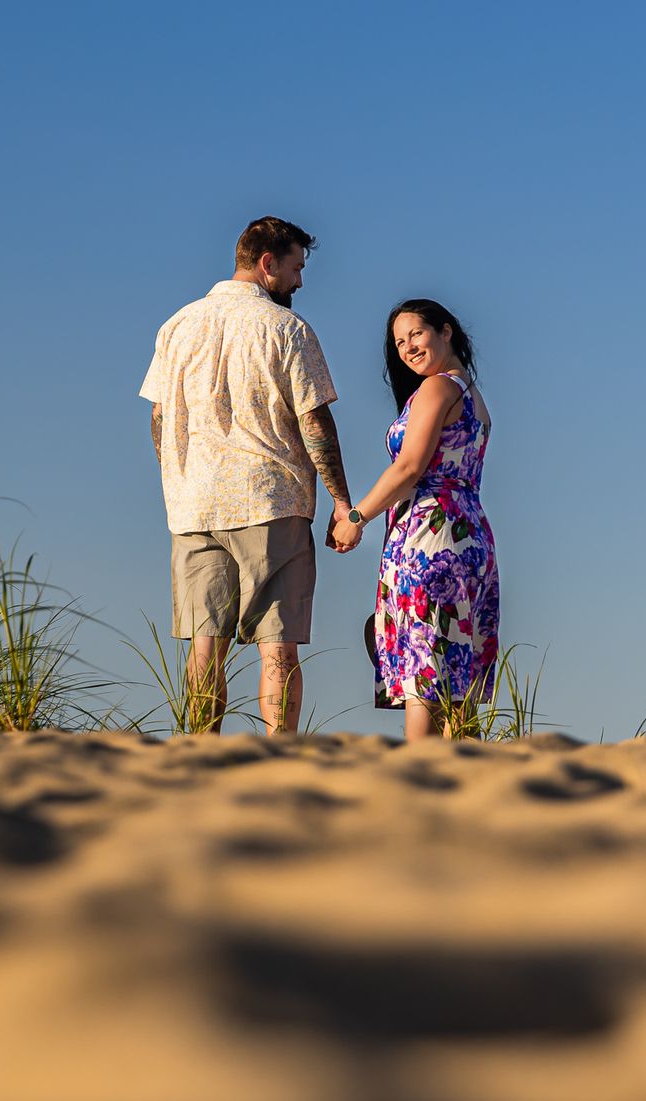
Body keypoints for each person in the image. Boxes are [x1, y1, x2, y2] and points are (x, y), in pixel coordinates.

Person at [138, 216, 353, 734]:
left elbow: (159, 418)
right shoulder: (287, 329)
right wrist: (342, 502)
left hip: (194, 507)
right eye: (296, 269)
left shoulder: (177, 326)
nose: (299, 281)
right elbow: (314, 422)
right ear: (267, 263)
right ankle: (280, 753)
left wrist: (179, 479)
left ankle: (200, 749)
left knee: (204, 646)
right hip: (271, 500)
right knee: (277, 646)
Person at [330, 300, 500, 741]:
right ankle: (465, 770)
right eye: (399, 342)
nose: (407, 348)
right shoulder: (473, 396)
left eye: (416, 334)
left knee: (423, 674)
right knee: (455, 675)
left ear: (446, 331)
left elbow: (409, 467)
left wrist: (356, 517)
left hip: (430, 535)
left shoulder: (436, 389)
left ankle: (417, 772)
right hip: (469, 533)